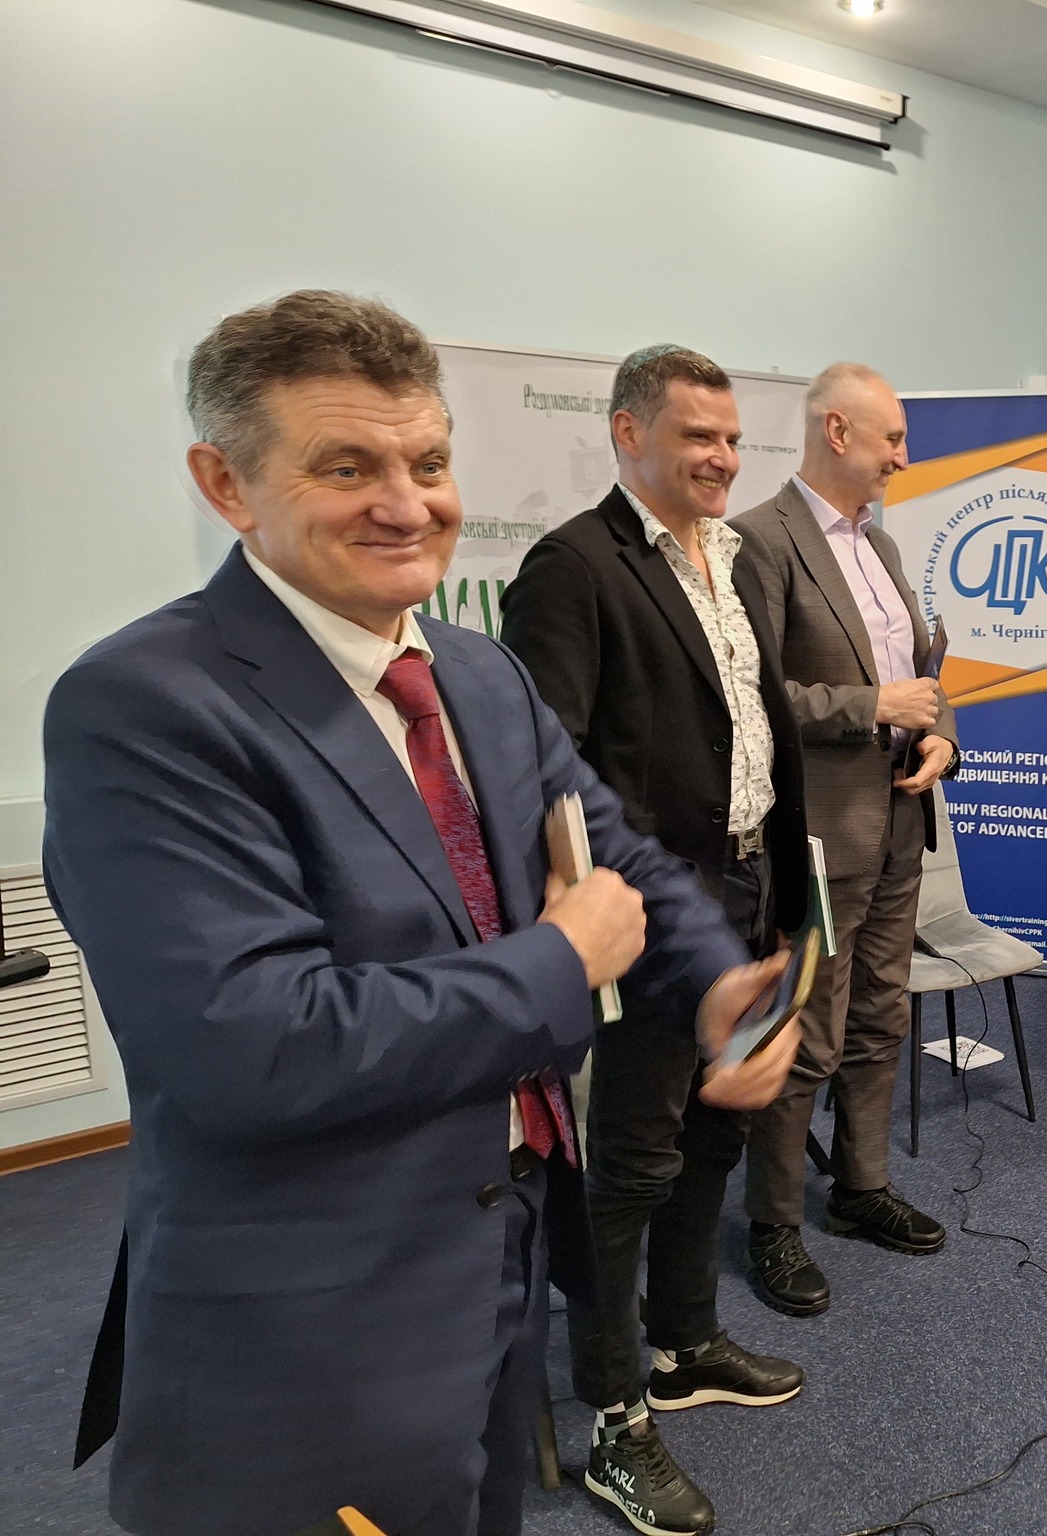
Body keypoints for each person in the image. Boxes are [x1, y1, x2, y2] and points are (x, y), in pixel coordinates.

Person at [41, 291, 795, 1536]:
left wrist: (713, 976)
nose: (406, 504)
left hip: (505, 1238)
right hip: (316, 1308)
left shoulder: (475, 670)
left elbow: (607, 847)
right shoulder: (143, 705)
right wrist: (560, 961)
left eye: (428, 463)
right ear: (226, 486)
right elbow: (255, 1045)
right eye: (346, 467)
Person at [499, 344, 810, 1533]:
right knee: (628, 1163)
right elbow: (547, 771)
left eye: (731, 438)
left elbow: (754, 728)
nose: (722, 458)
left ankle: (684, 1345)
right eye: (697, 437)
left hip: (749, 884)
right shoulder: (573, 565)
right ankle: (615, 1419)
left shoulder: (733, 559)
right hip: (650, 913)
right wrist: (603, 921)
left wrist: (780, 887)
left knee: (716, 1132)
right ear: (629, 434)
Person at [730, 362, 956, 1316]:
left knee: (881, 1016)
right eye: (891, 438)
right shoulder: (760, 539)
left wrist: (941, 735)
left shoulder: (883, 545)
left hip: (899, 820)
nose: (903, 455)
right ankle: (774, 1223)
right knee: (805, 1029)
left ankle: (861, 1187)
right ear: (836, 431)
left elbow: (921, 674)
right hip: (818, 834)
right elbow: (751, 698)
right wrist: (873, 708)